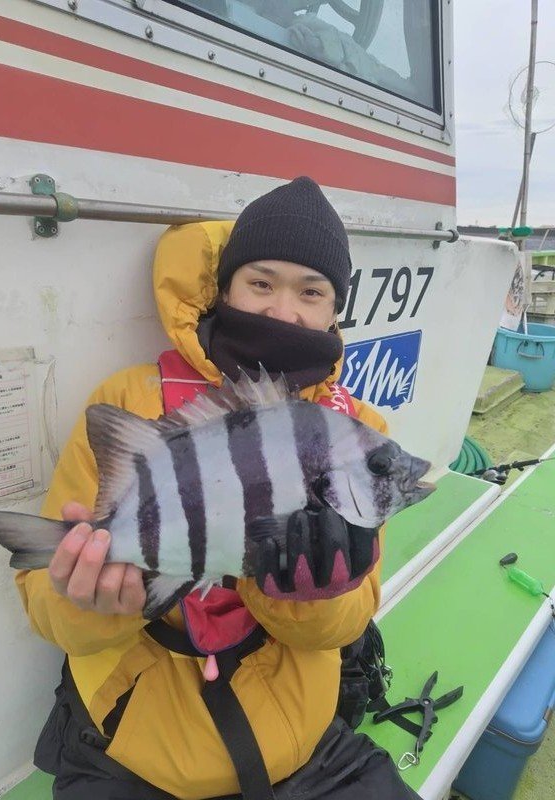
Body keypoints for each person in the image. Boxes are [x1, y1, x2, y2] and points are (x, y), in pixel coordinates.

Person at [21, 177, 421, 799]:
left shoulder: (362, 434)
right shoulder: (129, 400)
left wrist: (311, 594)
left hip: (303, 743)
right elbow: (47, 608)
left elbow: (344, 626)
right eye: (261, 283)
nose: (283, 311)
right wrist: (95, 604)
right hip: (131, 749)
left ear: (334, 309)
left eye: (310, 292)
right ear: (225, 288)